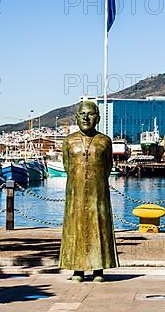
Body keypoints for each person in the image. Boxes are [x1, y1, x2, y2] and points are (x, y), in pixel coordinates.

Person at [59, 101, 118, 282]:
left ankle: (98, 269)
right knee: (74, 228)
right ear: (76, 117)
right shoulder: (68, 142)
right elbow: (67, 166)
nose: (86, 117)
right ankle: (78, 269)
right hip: (75, 194)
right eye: (82, 114)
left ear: (98, 118)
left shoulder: (105, 141)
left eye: (91, 114)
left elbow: (108, 166)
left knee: (99, 228)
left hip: (98, 194)